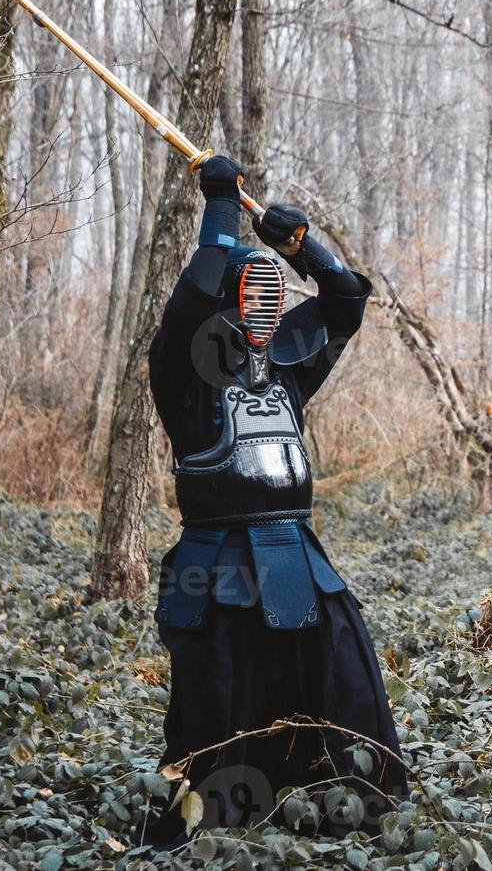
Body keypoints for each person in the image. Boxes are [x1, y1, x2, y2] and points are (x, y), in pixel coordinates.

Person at [137, 155, 405, 846]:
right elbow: (188, 301)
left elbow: (344, 300)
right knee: (219, 715)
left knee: (346, 686)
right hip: (218, 563)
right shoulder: (183, 377)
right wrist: (221, 210)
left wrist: (301, 245)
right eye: (247, 293)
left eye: (271, 294)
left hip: (296, 558)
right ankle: (214, 827)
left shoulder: (285, 371)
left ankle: (342, 811)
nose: (263, 307)